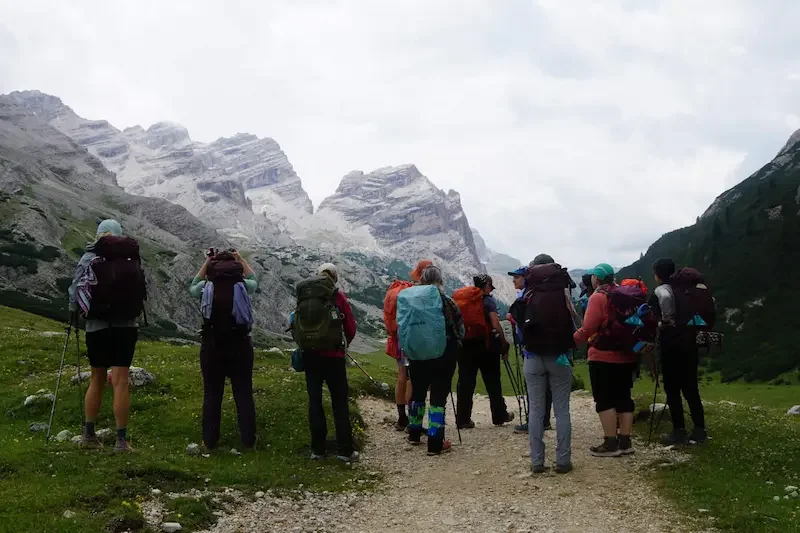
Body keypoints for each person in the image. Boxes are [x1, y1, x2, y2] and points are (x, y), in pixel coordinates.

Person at [68, 219, 145, 453]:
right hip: (127, 325)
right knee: (120, 381)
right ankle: (121, 441)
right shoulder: (131, 256)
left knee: (97, 377)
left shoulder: (89, 257)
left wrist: (74, 312)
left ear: (98, 235)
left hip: (97, 326)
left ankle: (89, 435)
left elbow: (75, 290)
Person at [189, 248, 258, 451]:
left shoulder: (206, 285)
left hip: (212, 344)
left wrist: (207, 264)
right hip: (240, 344)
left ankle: (209, 441)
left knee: (212, 393)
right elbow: (255, 279)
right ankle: (248, 440)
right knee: (243, 392)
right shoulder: (243, 284)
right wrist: (241, 259)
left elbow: (192, 286)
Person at [517, 254, 577, 474]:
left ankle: (537, 461)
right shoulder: (562, 288)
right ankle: (563, 461)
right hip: (559, 356)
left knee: (536, 410)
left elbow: (519, 324)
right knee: (562, 410)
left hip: (532, 357)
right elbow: (573, 319)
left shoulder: (529, 290)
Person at [295, 263, 359, 462]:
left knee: (315, 402)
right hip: (334, 357)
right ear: (335, 277)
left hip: (310, 356)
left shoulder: (305, 295)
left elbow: (295, 323)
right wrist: (342, 344)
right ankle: (344, 450)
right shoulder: (336, 295)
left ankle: (318, 450)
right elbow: (350, 327)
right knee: (339, 403)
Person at [573, 263, 637, 457]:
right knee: (623, 397)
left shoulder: (598, 297)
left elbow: (589, 327)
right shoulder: (625, 294)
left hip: (602, 356)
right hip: (627, 354)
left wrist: (572, 340)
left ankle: (610, 444)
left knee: (604, 398)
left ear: (597, 279)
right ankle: (625, 442)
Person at [399, 265, 464, 455]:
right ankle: (435, 443)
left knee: (418, 394)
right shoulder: (445, 300)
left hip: (417, 354)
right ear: (440, 280)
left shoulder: (410, 299)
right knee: (437, 398)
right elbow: (459, 328)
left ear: (421, 279)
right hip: (443, 355)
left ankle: (414, 434)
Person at [651, 258, 706, 445]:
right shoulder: (686, 289)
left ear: (658, 274)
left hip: (671, 345)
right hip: (690, 343)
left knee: (672, 389)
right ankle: (700, 430)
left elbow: (659, 315)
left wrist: (664, 321)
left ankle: (679, 431)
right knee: (691, 388)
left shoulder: (662, 291)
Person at [456, 274, 514, 428]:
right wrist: (504, 343)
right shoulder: (488, 301)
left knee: (466, 382)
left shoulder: (464, 300)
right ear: (487, 285)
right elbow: (495, 323)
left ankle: (462, 419)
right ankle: (499, 415)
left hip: (466, 346)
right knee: (493, 382)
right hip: (487, 347)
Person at [384, 259, 431, 430]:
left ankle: (401, 418)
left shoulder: (403, 290)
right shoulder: (419, 292)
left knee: (402, 376)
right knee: (413, 379)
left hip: (398, 340)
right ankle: (413, 421)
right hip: (412, 341)